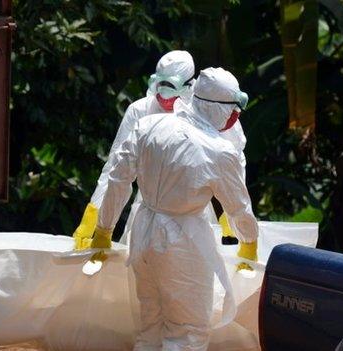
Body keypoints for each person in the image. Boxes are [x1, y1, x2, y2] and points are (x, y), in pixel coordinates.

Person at [88, 67, 259, 350]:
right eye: (234, 110)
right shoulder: (217, 150)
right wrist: (249, 243)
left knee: (150, 328)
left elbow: (118, 181)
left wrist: (103, 229)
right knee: (187, 332)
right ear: (216, 109)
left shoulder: (149, 127)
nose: (236, 116)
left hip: (142, 237)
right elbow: (239, 207)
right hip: (184, 245)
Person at [72, 50, 195, 250]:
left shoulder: (200, 114)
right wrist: (94, 217)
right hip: (148, 209)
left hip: (192, 214)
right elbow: (115, 169)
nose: (165, 101)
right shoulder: (140, 111)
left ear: (189, 86)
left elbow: (226, 165)